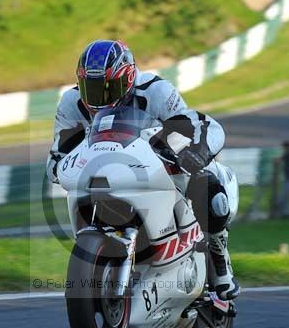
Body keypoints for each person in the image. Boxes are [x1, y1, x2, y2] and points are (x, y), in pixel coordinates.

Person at [46, 39, 240, 300]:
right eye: (89, 88)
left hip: (158, 165)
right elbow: (58, 152)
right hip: (106, 171)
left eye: (108, 87)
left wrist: (194, 153)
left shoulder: (155, 90)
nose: (99, 97)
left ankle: (219, 261)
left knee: (209, 183)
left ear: (128, 79)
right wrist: (59, 168)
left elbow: (191, 127)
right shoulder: (71, 102)